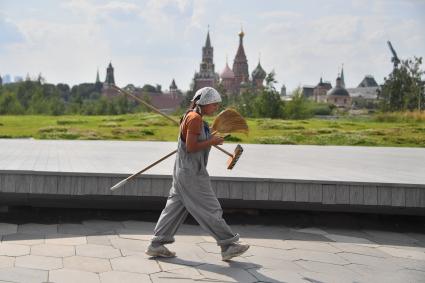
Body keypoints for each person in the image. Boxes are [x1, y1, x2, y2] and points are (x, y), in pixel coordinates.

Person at [145, 87, 249, 261]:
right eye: (214, 105)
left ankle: (156, 245)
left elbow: (193, 142)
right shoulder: (194, 119)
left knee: (174, 209)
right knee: (211, 208)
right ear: (205, 103)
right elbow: (191, 147)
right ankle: (228, 245)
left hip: (182, 172)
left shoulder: (191, 116)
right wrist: (212, 141)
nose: (216, 108)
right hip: (192, 174)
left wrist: (210, 138)